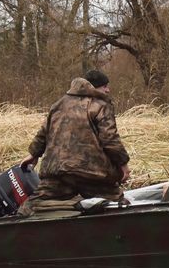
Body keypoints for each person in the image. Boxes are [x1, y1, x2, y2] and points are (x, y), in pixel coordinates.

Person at [18, 70, 130, 216]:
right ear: (93, 87)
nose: (108, 90)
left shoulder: (58, 104)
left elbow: (44, 132)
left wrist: (33, 154)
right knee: (119, 205)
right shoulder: (101, 105)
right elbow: (110, 139)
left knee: (30, 207)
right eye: (105, 86)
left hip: (58, 171)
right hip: (92, 173)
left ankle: (12, 230)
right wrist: (123, 164)